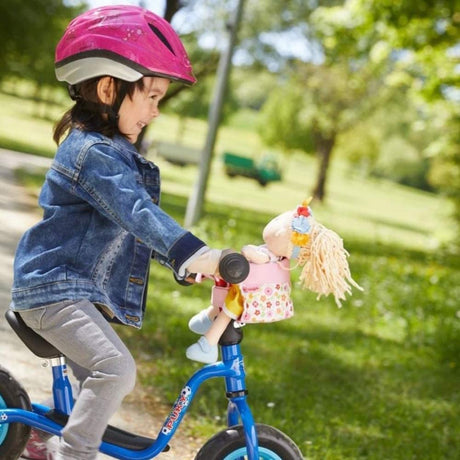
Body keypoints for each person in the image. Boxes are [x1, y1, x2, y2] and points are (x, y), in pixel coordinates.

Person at [11, 5, 224, 460]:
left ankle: (45, 445)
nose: (157, 111)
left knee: (99, 379)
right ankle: (73, 453)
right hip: (53, 292)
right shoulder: (92, 154)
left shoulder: (114, 153)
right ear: (109, 87)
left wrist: (183, 264)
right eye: (151, 96)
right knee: (115, 370)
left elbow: (128, 232)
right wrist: (195, 251)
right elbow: (137, 213)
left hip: (70, 292)